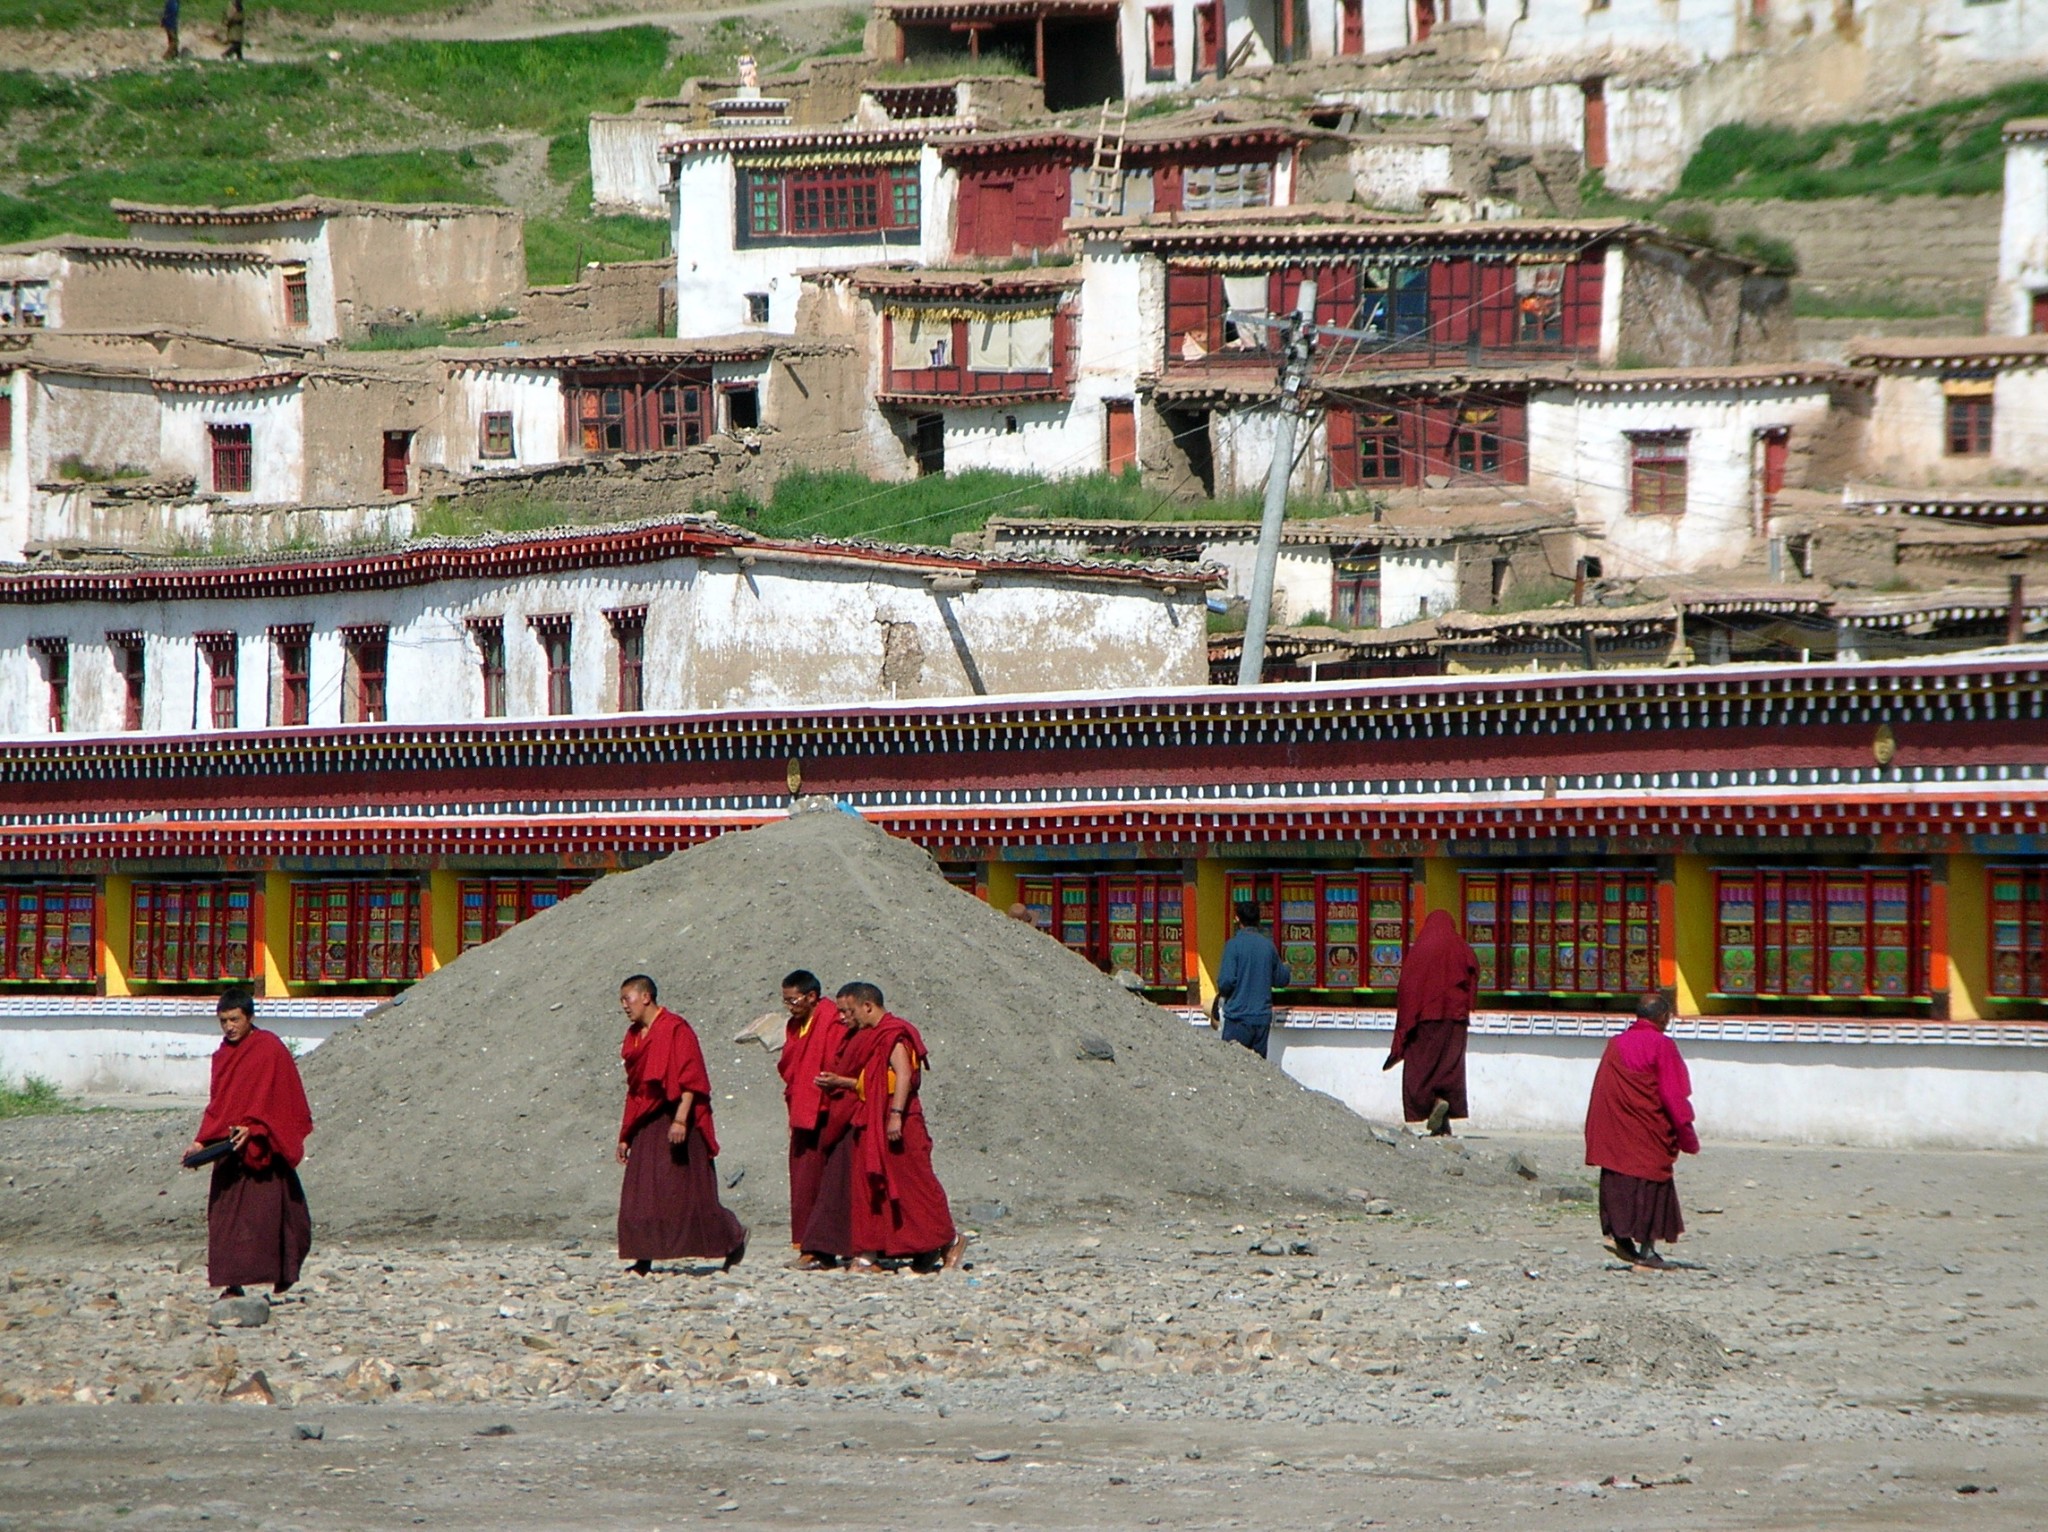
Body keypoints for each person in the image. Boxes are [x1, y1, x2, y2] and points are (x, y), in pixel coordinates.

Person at [812, 982, 965, 1272]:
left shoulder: (893, 1033)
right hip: (871, 1118)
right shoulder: (867, 1036)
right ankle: (872, 1251)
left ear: (867, 1006)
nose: (846, 1017)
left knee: (914, 1184)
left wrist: (896, 1114)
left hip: (901, 1120)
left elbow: (903, 1075)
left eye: (851, 1010)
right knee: (872, 1186)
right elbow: (871, 1081)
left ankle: (951, 1241)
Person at [182, 989, 312, 1299]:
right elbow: (220, 1104)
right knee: (225, 1219)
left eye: (235, 1020)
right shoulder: (223, 1055)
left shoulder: (269, 1049)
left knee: (279, 1215)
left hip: (263, 1149)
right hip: (229, 1147)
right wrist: (201, 1141)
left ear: (250, 1017)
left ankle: (284, 1271)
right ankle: (231, 1283)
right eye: (223, 1021)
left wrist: (256, 1127)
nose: (229, 1027)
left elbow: (280, 1097)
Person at [616, 974, 746, 1275]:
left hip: (677, 1118)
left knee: (689, 1195)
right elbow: (636, 1091)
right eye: (622, 1000)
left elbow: (692, 1078)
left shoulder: (676, 1028)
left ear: (646, 997)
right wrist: (625, 1134)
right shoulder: (634, 1036)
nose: (624, 1006)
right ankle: (643, 1257)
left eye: (628, 998)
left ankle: (733, 1238)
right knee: (640, 1193)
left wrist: (680, 1119)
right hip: (648, 1121)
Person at [1583, 993, 1700, 1270]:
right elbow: (1672, 1094)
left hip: (1619, 1130)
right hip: (1647, 1130)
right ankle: (1647, 1253)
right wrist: (1687, 1134)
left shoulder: (1616, 1044)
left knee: (1618, 1179)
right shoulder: (1661, 1045)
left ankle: (1620, 1238)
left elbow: (1603, 1091)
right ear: (1663, 1017)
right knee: (1651, 1181)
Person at [1384, 909, 1479, 1136]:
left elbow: (1407, 987)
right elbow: (1473, 971)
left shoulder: (1421, 950)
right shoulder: (1460, 946)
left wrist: (1406, 1023)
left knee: (1421, 1071)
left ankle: (1434, 1104)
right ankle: (1443, 1122)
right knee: (1449, 1069)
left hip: (1424, 1021)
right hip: (1454, 1021)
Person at [777, 969, 845, 1269]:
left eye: (794, 1001)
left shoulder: (832, 1018)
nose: (790, 1007)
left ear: (812, 996)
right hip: (803, 1111)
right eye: (786, 1002)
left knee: (829, 1183)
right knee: (805, 1182)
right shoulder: (796, 1025)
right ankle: (811, 1244)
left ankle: (824, 1246)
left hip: (828, 1111)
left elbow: (838, 1060)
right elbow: (792, 1065)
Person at [1214, 901, 1290, 1058]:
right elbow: (1281, 980)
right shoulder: (1268, 946)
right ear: (1259, 921)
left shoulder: (1233, 946)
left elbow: (1225, 983)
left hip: (1237, 1019)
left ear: (1237, 919)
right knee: (1258, 1070)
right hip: (1261, 1019)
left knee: (1233, 1065)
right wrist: (1287, 967)